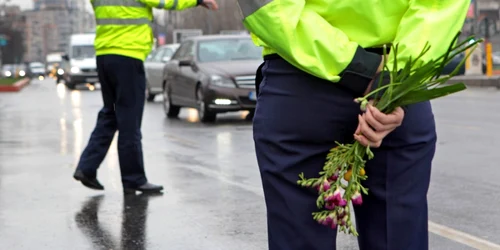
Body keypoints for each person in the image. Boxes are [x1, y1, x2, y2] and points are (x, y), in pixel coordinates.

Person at [237, 1, 469, 250]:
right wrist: (394, 81)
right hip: (394, 77)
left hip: (301, 82)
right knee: (396, 237)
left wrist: (358, 69)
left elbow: (269, 6)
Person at [73, 0, 219, 194]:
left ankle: (87, 167)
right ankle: (133, 179)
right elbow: (167, 2)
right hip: (128, 57)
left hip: (105, 56)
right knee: (129, 120)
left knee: (111, 114)